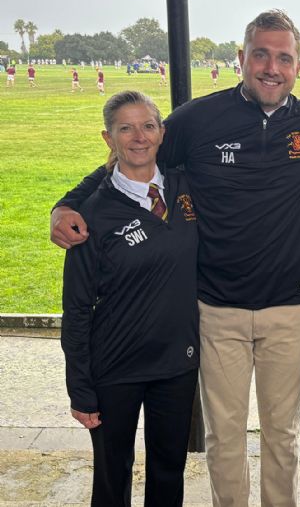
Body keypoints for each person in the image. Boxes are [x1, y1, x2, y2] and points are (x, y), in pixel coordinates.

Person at [51, 10, 300, 507]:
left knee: (283, 433)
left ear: (299, 65)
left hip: (290, 307)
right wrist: (66, 205)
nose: (272, 67)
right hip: (217, 308)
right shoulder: (197, 120)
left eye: (284, 58)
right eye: (261, 55)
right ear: (241, 58)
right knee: (225, 434)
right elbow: (132, 156)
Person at [61, 90, 199, 506]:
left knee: (169, 469)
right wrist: (80, 387)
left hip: (176, 363)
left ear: (162, 133)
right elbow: (77, 307)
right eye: (126, 128)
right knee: (112, 473)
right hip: (116, 366)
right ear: (109, 138)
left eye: (148, 126)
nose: (139, 137)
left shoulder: (186, 187)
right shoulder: (92, 213)